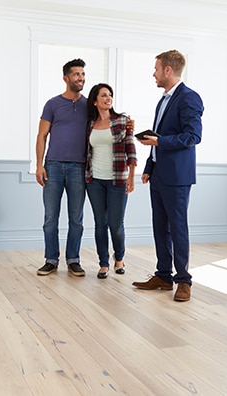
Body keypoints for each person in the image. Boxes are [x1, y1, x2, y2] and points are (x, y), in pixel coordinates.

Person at [132, 49, 204, 302]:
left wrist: (159, 142)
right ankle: (163, 275)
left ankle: (183, 281)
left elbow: (193, 136)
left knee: (178, 227)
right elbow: (159, 138)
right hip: (159, 174)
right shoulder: (163, 100)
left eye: (156, 68)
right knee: (159, 227)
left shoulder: (189, 98)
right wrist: (149, 167)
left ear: (168, 70)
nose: (153, 73)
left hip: (177, 176)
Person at [35, 58, 89, 277]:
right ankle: (51, 259)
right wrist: (39, 165)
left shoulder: (89, 104)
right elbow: (41, 136)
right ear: (66, 78)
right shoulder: (52, 104)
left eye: (83, 74)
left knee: (76, 218)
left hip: (79, 167)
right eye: (77, 74)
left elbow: (107, 120)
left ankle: (73, 259)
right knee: (50, 217)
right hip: (53, 166)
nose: (81, 78)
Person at [85, 83, 137, 279]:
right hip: (94, 180)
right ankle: (103, 263)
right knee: (100, 223)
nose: (108, 98)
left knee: (115, 224)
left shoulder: (122, 121)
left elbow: (131, 150)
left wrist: (131, 176)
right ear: (95, 101)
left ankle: (120, 258)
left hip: (117, 180)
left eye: (110, 95)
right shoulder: (89, 124)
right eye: (104, 95)